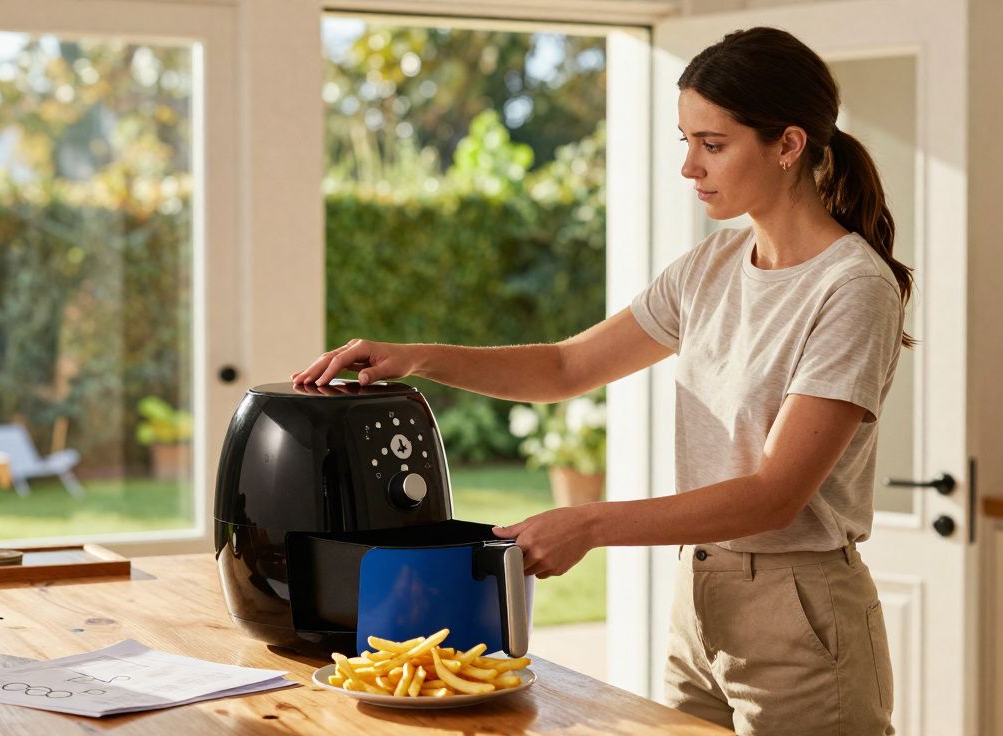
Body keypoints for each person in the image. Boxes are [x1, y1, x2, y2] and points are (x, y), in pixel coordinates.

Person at [293, 26, 908, 736]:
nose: (689, 166)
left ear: (788, 145)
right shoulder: (710, 266)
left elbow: (776, 495)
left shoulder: (851, 288)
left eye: (712, 144)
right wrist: (418, 357)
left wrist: (588, 524)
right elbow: (567, 366)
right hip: (699, 598)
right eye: (686, 140)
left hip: (801, 614)